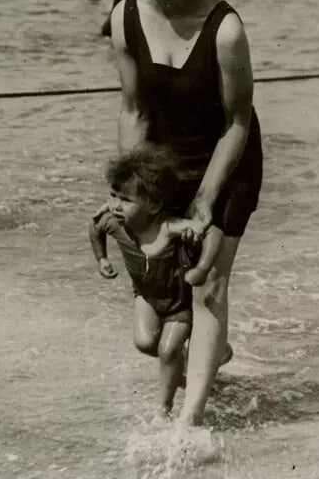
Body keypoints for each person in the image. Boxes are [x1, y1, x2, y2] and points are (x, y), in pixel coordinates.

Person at [109, 0, 263, 427]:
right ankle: (209, 356)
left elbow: (238, 122)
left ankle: (188, 423)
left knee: (208, 284)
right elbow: (132, 108)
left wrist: (203, 203)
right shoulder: (124, 15)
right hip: (164, 160)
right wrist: (133, 188)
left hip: (228, 159)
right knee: (160, 308)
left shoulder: (225, 29)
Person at [89, 148, 227, 418]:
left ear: (153, 205)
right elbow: (94, 227)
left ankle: (163, 409)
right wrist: (101, 258)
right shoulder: (114, 223)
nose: (115, 205)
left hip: (179, 303)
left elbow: (214, 232)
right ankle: (205, 360)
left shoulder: (168, 227)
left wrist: (202, 267)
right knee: (144, 342)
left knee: (168, 349)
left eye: (126, 200)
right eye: (113, 195)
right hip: (146, 295)